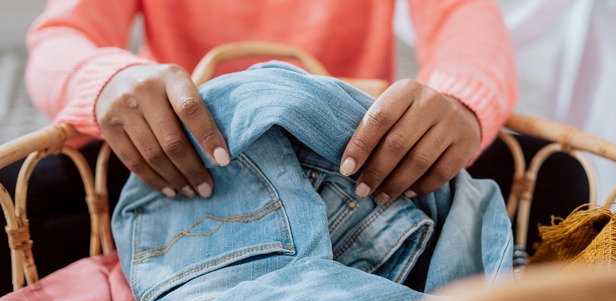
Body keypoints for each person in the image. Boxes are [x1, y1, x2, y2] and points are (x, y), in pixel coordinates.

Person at [25, 0, 518, 206]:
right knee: (32, 186)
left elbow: (465, 17)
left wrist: (459, 100)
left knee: (543, 176)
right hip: (180, 154)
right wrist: (108, 79)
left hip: (355, 160)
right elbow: (61, 37)